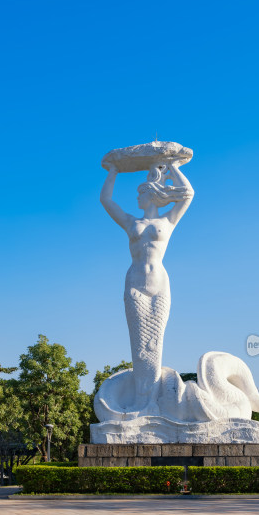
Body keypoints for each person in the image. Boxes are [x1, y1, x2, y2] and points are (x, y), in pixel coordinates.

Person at [100, 161, 194, 410]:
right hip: (135, 285)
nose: (137, 198)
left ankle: (153, 399)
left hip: (160, 284)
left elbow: (188, 194)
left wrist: (174, 166)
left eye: (140, 193)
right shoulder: (131, 223)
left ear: (151, 194)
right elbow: (107, 201)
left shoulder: (168, 221)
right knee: (140, 345)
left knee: (156, 342)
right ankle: (141, 400)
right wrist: (113, 171)